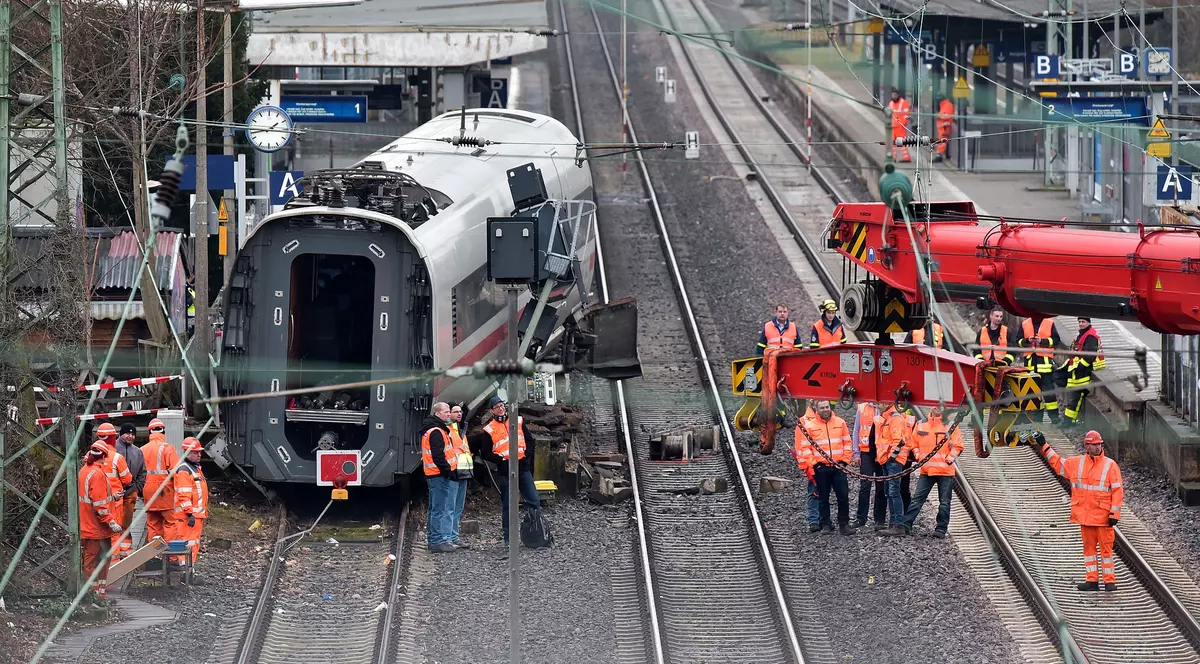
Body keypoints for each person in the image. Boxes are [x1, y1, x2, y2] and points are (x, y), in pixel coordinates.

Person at [1030, 430, 1122, 591]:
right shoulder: (1078, 464)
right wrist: (1044, 445)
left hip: (1103, 518)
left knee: (1106, 551)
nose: (1097, 447)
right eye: (1094, 445)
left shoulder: (1110, 465)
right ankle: (1092, 581)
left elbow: (1117, 491)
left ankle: (1109, 582)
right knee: (1089, 551)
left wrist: (1114, 514)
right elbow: (1058, 464)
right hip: (1086, 517)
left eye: (1099, 444)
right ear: (1087, 446)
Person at [471, 396, 541, 548]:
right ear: (492, 411)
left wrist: (526, 455)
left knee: (534, 500)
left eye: (501, 405)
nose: (501, 408)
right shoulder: (489, 429)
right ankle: (508, 539)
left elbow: (529, 440)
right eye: (497, 407)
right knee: (508, 505)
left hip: (522, 467)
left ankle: (535, 532)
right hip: (505, 470)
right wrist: (501, 459)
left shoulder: (518, 421)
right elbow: (486, 453)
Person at [899, 405, 965, 537]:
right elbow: (913, 443)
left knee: (944, 502)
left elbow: (958, 446)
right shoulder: (921, 424)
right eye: (935, 405)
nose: (937, 408)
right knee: (918, 499)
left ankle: (941, 529)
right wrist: (918, 456)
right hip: (926, 470)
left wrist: (948, 460)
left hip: (944, 472)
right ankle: (906, 525)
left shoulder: (951, 425)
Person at [796, 401, 855, 535]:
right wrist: (814, 464)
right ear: (817, 409)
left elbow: (847, 442)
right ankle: (826, 524)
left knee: (843, 497)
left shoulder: (840, 423)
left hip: (838, 466)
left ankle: (844, 524)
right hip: (821, 467)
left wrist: (845, 461)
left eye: (827, 407)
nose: (825, 410)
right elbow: (805, 447)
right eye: (822, 408)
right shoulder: (810, 426)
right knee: (823, 498)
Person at [78, 442, 120, 602]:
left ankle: (95, 592)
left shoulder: (85, 471)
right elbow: (100, 504)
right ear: (103, 456)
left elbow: (93, 499)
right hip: (97, 528)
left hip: (89, 525)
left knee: (91, 559)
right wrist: (110, 522)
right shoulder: (97, 474)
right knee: (97, 560)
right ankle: (94, 593)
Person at [420, 402, 460, 553]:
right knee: (438, 509)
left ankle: (434, 539)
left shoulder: (431, 429)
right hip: (438, 475)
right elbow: (439, 456)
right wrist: (447, 471)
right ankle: (436, 541)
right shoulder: (437, 431)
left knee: (434, 509)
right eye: (446, 412)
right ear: (438, 414)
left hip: (433, 475)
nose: (449, 414)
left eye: (449, 412)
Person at [140, 418, 180, 558]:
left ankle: (155, 555)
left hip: (148, 493)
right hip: (165, 492)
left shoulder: (142, 450)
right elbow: (176, 472)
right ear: (163, 431)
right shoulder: (167, 448)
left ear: (149, 432)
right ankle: (171, 556)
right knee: (170, 523)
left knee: (153, 524)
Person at [94, 423, 132, 560]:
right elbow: (127, 479)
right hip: (113, 502)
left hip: (94, 502)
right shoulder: (117, 458)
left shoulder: (90, 456)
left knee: (97, 533)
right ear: (112, 438)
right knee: (114, 532)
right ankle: (114, 564)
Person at [877, 403, 916, 536]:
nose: (878, 405)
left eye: (880, 402)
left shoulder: (895, 418)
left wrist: (891, 457)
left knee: (893, 491)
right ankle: (894, 523)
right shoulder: (889, 418)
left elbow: (897, 440)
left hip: (893, 461)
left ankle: (898, 524)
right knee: (890, 491)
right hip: (888, 460)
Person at [1018, 316, 1064, 423]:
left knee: (1049, 394)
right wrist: (1027, 341)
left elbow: (1056, 341)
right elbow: (1018, 341)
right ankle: (1037, 418)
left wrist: (1042, 341)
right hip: (1030, 367)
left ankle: (1054, 418)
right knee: (1033, 394)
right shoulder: (1025, 324)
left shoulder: (1049, 323)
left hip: (1045, 366)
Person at [173, 437, 208, 566]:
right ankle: (185, 570)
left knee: (193, 544)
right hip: (188, 516)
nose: (199, 455)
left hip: (195, 515)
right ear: (187, 452)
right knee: (187, 543)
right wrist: (189, 513)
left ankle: (189, 569)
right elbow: (183, 494)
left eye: (199, 452)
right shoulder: (184, 470)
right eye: (195, 452)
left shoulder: (193, 468)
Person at [852, 402, 887, 530]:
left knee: (881, 486)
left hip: (881, 452)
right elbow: (856, 430)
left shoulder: (886, 407)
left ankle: (880, 519)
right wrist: (856, 452)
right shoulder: (862, 408)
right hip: (866, 452)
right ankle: (861, 518)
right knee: (865, 485)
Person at [114, 424, 146, 561]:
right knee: (115, 523)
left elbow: (143, 472)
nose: (130, 436)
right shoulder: (113, 449)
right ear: (121, 434)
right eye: (127, 433)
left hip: (130, 493)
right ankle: (114, 551)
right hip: (114, 494)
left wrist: (137, 488)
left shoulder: (138, 452)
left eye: (133, 434)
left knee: (127, 523)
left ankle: (125, 550)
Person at [1064, 317, 1104, 426]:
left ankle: (1069, 422)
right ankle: (1068, 420)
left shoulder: (1090, 336)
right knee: (1073, 396)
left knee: (1076, 396)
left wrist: (1080, 367)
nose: (1081, 324)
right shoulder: (1084, 334)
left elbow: (1089, 356)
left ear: (1088, 323)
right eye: (1079, 322)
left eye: (1083, 322)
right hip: (1078, 370)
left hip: (1084, 371)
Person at [791, 406, 821, 532]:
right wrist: (805, 467)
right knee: (814, 493)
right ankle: (814, 521)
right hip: (812, 465)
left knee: (823, 493)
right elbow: (800, 445)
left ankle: (823, 520)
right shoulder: (804, 421)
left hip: (826, 464)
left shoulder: (831, 418)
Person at [447, 402, 473, 549]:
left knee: (457, 508)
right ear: (449, 414)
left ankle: (454, 537)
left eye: (460, 412)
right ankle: (449, 537)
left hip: (463, 472)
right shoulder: (449, 430)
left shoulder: (460, 430)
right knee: (450, 507)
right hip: (453, 473)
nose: (459, 414)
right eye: (455, 411)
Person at [886, 87, 912, 163]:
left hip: (900, 126)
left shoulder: (904, 102)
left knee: (902, 143)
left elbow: (906, 115)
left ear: (898, 95)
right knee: (893, 143)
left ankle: (906, 157)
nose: (893, 96)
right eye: (892, 94)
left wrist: (902, 123)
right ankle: (893, 158)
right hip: (893, 126)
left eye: (895, 94)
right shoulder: (891, 103)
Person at [934, 97, 955, 162]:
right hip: (942, 127)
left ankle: (939, 155)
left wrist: (939, 116)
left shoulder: (947, 105)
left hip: (945, 127)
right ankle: (939, 154)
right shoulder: (943, 104)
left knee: (942, 141)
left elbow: (947, 115)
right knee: (941, 141)